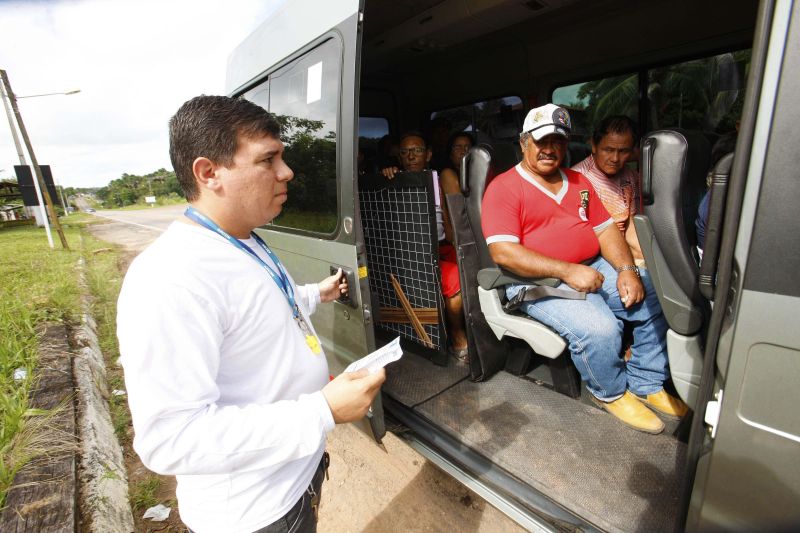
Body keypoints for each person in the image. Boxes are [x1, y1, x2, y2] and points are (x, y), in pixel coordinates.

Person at [117, 95, 385, 533]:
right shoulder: (171, 277)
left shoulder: (243, 238)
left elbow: (260, 306)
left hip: (293, 481)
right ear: (209, 173)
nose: (287, 172)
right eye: (268, 159)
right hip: (256, 515)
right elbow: (172, 438)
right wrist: (321, 411)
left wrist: (316, 293)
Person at [482, 103, 688, 434]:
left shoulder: (578, 181)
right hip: (535, 280)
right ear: (523, 143)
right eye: (541, 141)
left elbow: (606, 230)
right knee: (601, 328)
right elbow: (504, 253)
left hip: (592, 266)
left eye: (559, 141)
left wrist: (626, 270)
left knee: (655, 296)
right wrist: (567, 271)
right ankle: (609, 392)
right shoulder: (504, 188)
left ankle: (646, 382)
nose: (550, 149)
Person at [382, 131, 470, 359]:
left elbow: (453, 218)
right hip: (416, 253)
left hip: (442, 244)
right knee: (454, 280)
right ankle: (456, 333)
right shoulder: (393, 181)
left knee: (475, 266)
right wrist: (387, 176)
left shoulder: (440, 179)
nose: (411, 156)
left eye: (417, 150)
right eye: (405, 152)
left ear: (428, 154)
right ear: (399, 158)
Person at [571, 115, 644, 266]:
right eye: (608, 150)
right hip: (596, 258)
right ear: (594, 146)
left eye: (623, 151)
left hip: (622, 251)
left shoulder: (629, 176)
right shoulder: (577, 180)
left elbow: (630, 227)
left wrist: (645, 258)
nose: (615, 158)